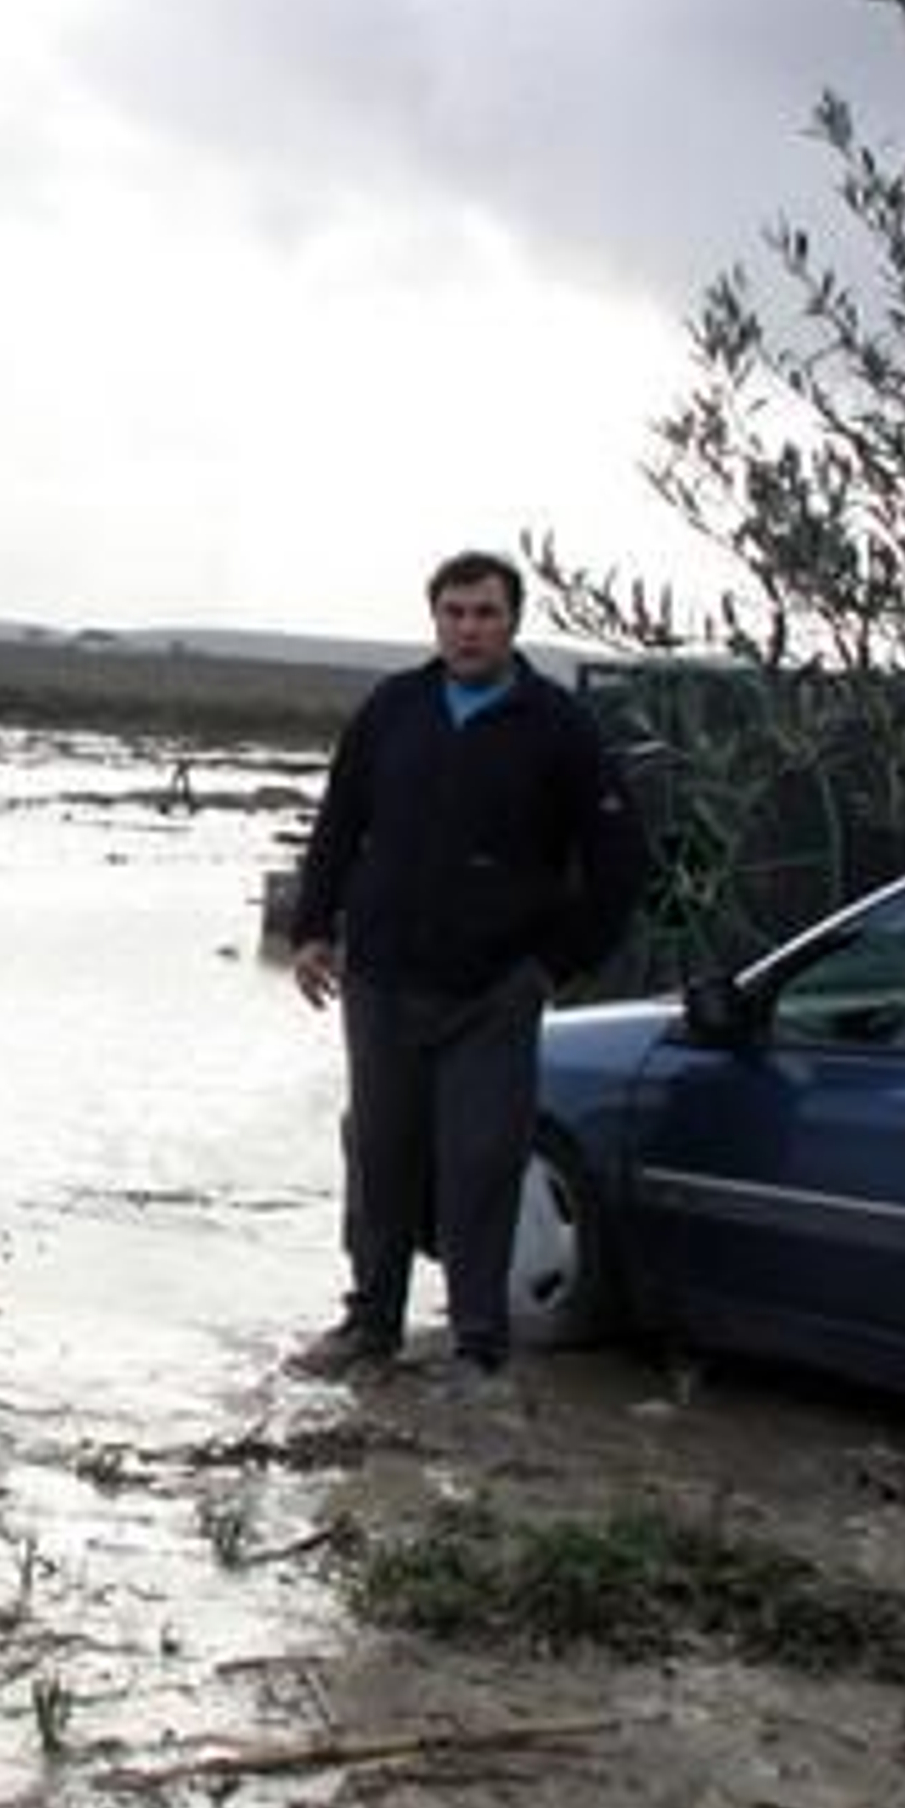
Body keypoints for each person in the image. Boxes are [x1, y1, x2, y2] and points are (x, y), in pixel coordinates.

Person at [289, 548, 648, 1387]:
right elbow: (340, 820)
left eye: (485, 612)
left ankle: (478, 1345)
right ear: (435, 620)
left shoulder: (557, 725)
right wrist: (312, 929)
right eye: (454, 612)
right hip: (381, 979)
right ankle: (370, 1323)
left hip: (493, 991)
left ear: (513, 620)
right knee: (380, 1152)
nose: (469, 628)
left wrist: (553, 964)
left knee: (481, 1160)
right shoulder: (395, 708)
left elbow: (619, 859)